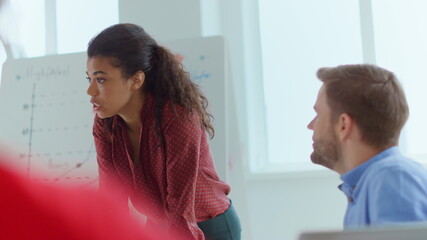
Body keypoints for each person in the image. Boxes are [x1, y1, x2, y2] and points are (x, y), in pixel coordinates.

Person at [86, 23, 241, 240]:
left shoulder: (177, 118)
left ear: (136, 80)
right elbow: (111, 200)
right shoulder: (105, 124)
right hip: (160, 223)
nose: (90, 91)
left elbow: (180, 213)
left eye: (101, 79)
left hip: (209, 225)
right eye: (89, 78)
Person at [307, 64, 427, 228]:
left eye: (318, 115)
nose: (310, 125)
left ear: (343, 125)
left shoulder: (392, 178)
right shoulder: (367, 185)